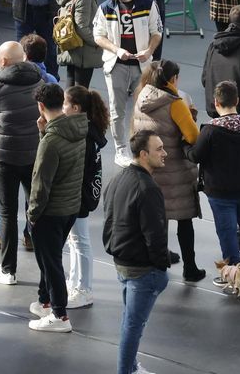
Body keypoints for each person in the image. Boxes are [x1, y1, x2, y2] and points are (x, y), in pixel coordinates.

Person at [102, 129, 171, 374]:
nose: (165, 153)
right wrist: (162, 265)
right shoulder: (148, 188)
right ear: (144, 154)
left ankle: (130, 366)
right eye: (159, 149)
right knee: (133, 326)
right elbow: (155, 235)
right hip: (143, 271)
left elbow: (109, 218)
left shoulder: (117, 178)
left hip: (122, 264)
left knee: (128, 321)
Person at [131, 60, 205, 281]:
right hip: (176, 169)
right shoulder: (176, 103)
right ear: (173, 79)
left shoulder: (142, 96)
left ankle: (160, 258)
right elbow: (192, 137)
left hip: (151, 168)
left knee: (158, 218)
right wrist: (191, 117)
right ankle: (190, 268)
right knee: (184, 219)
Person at [0, 41, 43, 285]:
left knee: (7, 213)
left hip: (5, 157)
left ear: (4, 61)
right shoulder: (39, 80)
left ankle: (8, 270)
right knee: (34, 209)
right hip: (34, 154)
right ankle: (45, 266)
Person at [27, 83, 88, 332]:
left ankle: (59, 315)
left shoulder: (51, 141)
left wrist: (32, 215)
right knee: (51, 258)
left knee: (50, 263)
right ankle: (46, 301)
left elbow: (41, 184)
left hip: (50, 212)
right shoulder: (78, 128)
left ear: (40, 106)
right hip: (70, 206)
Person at [187, 81, 240, 270]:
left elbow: (194, 156)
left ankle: (232, 270)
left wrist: (185, 146)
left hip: (220, 192)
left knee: (227, 231)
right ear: (237, 100)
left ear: (216, 103)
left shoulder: (210, 130)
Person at [93, 0, 162, 167]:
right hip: (117, 66)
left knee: (144, 109)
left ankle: (142, 147)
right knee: (117, 110)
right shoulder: (105, 8)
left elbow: (156, 31)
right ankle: (120, 149)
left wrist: (149, 51)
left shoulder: (148, 4)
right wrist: (116, 50)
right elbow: (98, 36)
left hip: (142, 67)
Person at [62, 85, 109, 309]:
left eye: (65, 104)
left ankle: (84, 289)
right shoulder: (90, 132)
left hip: (78, 194)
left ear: (76, 107)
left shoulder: (84, 136)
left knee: (80, 241)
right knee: (76, 241)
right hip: (82, 193)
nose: (62, 108)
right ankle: (75, 284)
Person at [55, 0, 101, 87]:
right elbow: (82, 27)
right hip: (83, 51)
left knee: (70, 88)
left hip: (71, 46)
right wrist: (98, 42)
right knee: (80, 91)